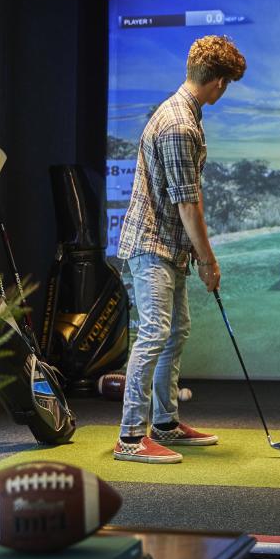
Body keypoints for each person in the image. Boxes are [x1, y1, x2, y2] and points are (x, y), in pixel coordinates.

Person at [113, 35, 246, 464]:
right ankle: (131, 436)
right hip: (152, 245)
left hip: (168, 246)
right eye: (228, 83)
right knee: (154, 334)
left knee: (175, 330)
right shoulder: (179, 125)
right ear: (219, 82)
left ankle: (165, 422)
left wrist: (195, 256)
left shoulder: (184, 114)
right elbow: (187, 203)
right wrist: (208, 260)